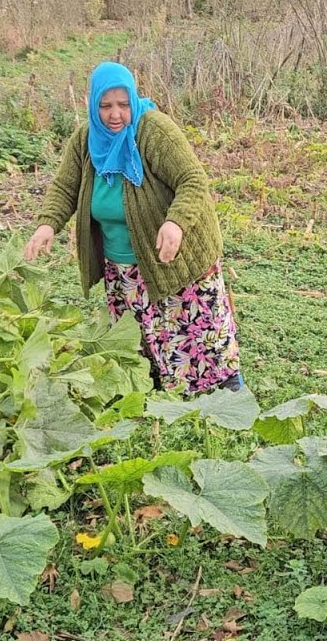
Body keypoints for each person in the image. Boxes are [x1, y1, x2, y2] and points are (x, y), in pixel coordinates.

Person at [24, 62, 243, 396]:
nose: (115, 114)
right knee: (144, 335)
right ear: (93, 105)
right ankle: (159, 398)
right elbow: (66, 187)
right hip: (123, 267)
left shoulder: (153, 130)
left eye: (123, 104)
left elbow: (193, 180)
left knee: (196, 333)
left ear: (133, 101)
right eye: (106, 105)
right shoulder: (86, 140)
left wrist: (175, 222)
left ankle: (229, 395)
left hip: (174, 256)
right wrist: (47, 224)